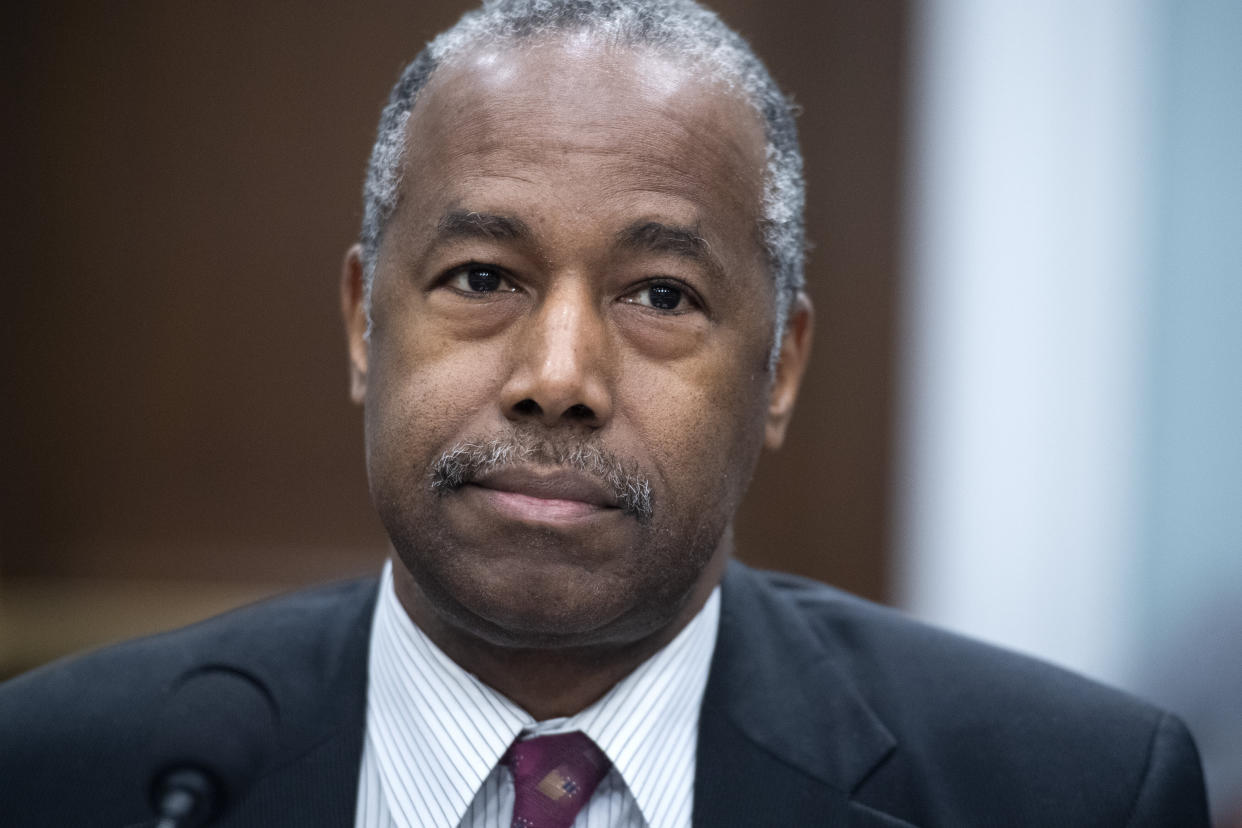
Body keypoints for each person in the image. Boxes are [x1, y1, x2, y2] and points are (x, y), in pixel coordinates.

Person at [0, 0, 1210, 825]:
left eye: (661, 294)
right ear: (364, 320)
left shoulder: (1067, 792)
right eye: (482, 277)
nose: (560, 375)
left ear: (780, 368)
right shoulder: (63, 772)